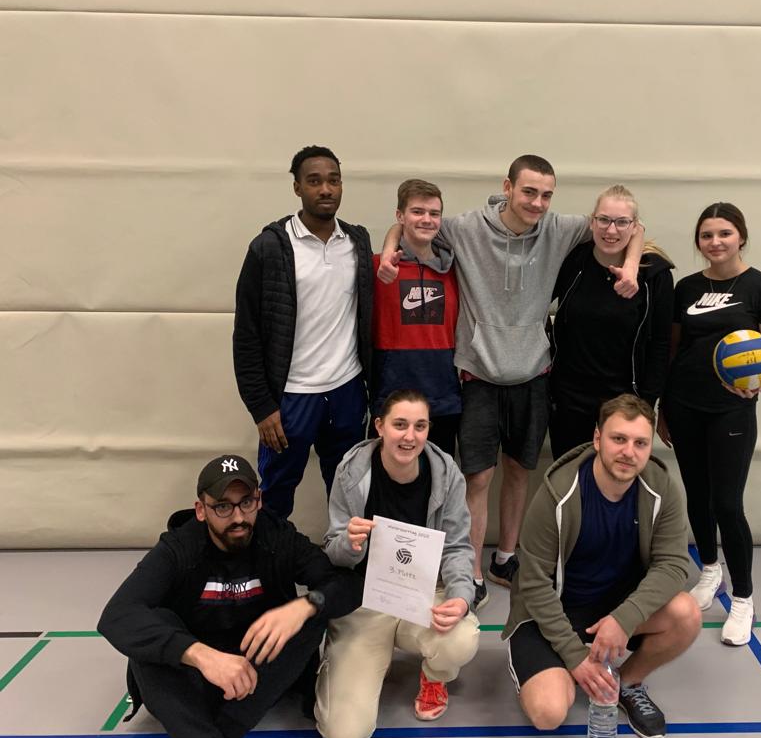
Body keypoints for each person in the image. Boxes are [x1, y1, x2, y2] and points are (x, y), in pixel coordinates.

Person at [378, 155, 645, 610]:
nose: (537, 203)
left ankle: (505, 559)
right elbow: (406, 226)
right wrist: (388, 251)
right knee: (478, 477)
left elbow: (634, 228)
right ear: (507, 187)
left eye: (546, 195)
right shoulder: (465, 228)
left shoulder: (560, 228)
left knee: (520, 471)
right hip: (479, 376)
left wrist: (633, 267)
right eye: (529, 192)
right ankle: (472, 572)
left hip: (533, 375)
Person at [98, 455, 360, 738]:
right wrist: (199, 655)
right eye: (223, 507)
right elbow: (116, 615)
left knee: (312, 612)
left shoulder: (277, 537)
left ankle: (223, 730)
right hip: (196, 677)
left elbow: (347, 584)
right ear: (201, 510)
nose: (238, 517)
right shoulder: (179, 548)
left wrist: (306, 604)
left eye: (246, 503)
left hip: (259, 677)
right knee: (151, 630)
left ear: (259, 501)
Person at [503, 395, 701, 738]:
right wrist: (575, 657)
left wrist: (624, 619)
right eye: (618, 439)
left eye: (640, 443)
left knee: (687, 613)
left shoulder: (661, 487)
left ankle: (626, 682)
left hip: (613, 611)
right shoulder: (558, 492)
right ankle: (558, 666)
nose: (629, 452)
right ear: (597, 439)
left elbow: (672, 565)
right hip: (552, 613)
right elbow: (533, 584)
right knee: (548, 713)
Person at [316, 389, 479, 738]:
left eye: (420, 426)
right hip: (365, 601)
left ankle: (434, 676)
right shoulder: (351, 471)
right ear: (380, 427)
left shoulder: (446, 474)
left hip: (422, 595)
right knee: (343, 737)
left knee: (461, 637)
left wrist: (460, 597)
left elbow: (457, 547)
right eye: (400, 425)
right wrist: (349, 543)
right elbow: (332, 551)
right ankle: (350, 661)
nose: (410, 436)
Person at [658, 202, 761, 646]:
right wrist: (662, 407)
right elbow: (673, 350)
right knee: (697, 495)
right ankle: (710, 571)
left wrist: (760, 381)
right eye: (707, 235)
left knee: (728, 504)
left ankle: (744, 598)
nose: (715, 242)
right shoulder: (687, 288)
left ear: (741, 237)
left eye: (724, 233)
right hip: (684, 404)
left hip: (731, 409)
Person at [233, 145, 373, 519]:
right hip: (291, 398)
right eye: (314, 181)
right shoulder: (269, 247)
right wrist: (262, 407)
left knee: (348, 493)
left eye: (333, 180)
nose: (325, 189)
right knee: (276, 494)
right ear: (297, 188)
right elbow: (246, 336)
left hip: (346, 391)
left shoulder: (357, 242)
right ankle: (271, 556)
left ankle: (342, 556)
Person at [548, 185, 674, 459]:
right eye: (604, 220)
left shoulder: (654, 274)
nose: (611, 230)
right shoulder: (572, 261)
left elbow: (660, 344)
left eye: (621, 222)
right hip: (570, 399)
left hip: (625, 401)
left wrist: (646, 403)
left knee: (617, 477)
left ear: (635, 226)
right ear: (592, 222)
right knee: (570, 476)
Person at [371, 179, 460, 456]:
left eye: (434, 213)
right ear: (400, 216)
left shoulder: (455, 270)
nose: (426, 219)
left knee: (439, 474)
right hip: (391, 397)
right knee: (387, 474)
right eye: (417, 212)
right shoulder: (379, 267)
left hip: (443, 397)